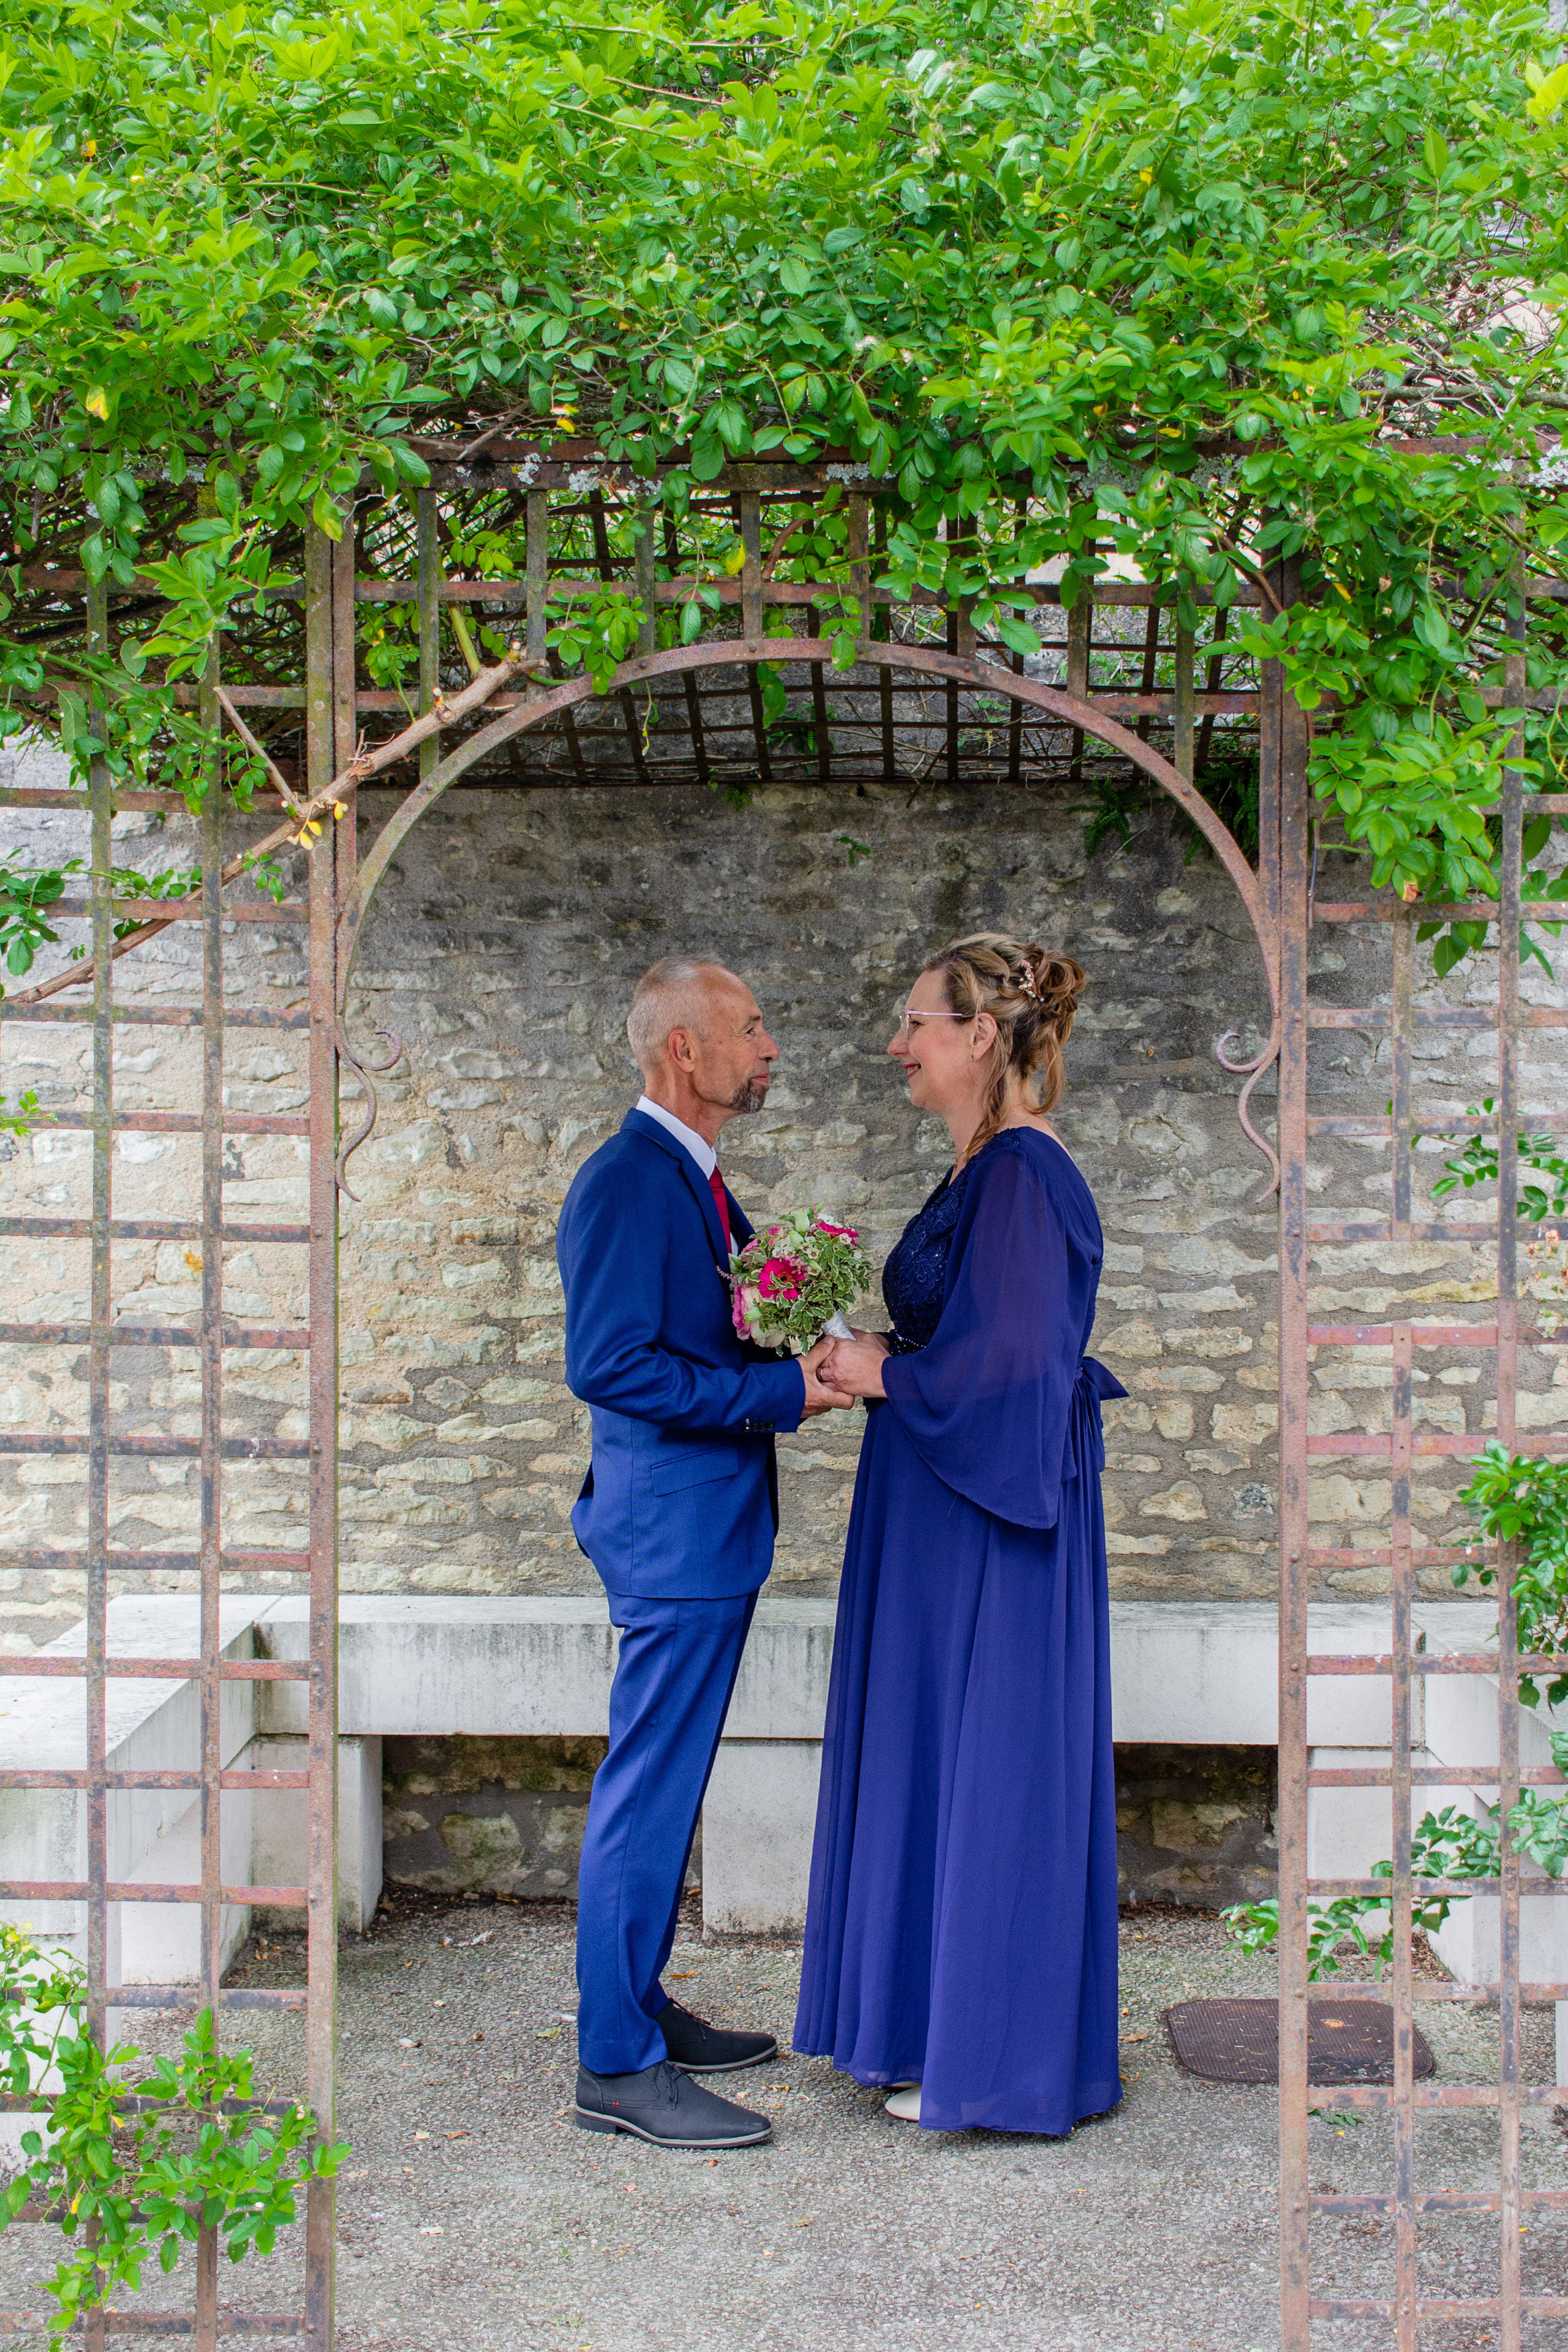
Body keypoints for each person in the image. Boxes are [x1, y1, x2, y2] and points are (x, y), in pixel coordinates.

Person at [793, 932, 1126, 2136]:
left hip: (991, 1521)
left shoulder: (1026, 1175)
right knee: (938, 1757)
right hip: (939, 1509)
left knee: (989, 1765)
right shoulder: (980, 1170)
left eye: (916, 1022)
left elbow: (1017, 1364)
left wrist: (886, 1371)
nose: (898, 1044)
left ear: (979, 1035)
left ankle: (991, 2060)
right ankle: (928, 2023)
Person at [556, 955, 850, 2150]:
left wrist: (805, 1337)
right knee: (648, 1790)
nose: (768, 1047)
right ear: (683, 1049)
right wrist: (783, 1389)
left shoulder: (696, 1181)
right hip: (671, 1536)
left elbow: (706, 1331)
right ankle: (614, 2065)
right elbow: (609, 1364)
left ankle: (637, 2007)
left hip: (701, 1531)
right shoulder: (629, 1181)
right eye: (750, 1025)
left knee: (666, 1788)